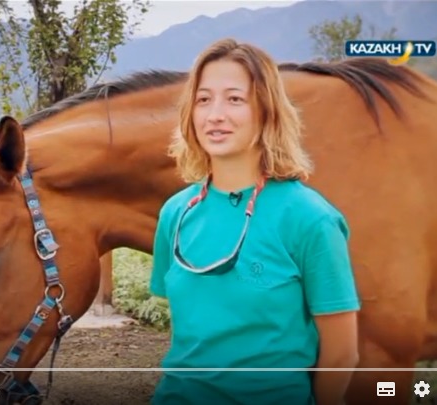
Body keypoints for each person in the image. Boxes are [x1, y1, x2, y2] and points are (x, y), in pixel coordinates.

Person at [149, 38, 361, 405]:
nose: (215, 114)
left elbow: (342, 355)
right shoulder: (175, 213)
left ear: (266, 110)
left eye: (234, 99)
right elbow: (192, 333)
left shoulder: (310, 219)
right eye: (203, 99)